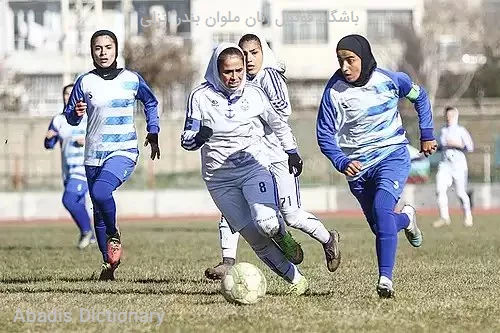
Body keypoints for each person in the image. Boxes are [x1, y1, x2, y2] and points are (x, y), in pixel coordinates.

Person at [204, 33, 341, 281]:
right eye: (243, 54)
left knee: (292, 214)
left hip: (276, 155)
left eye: (254, 53)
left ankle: (327, 238)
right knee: (235, 208)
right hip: (251, 158)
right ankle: (228, 260)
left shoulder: (269, 77)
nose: (249, 59)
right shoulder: (234, 84)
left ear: (263, 53)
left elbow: (280, 114)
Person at [316, 34, 438, 298]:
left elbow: (421, 96)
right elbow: (324, 135)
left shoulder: (392, 80)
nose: (345, 67)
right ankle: (407, 218)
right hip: (358, 169)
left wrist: (427, 133)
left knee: (382, 214)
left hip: (391, 156)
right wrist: (341, 160)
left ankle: (385, 280)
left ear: (365, 57)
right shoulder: (334, 91)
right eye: (340, 61)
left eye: (350, 60)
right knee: (380, 225)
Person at [181, 43, 308, 295]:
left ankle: (282, 235)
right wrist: (198, 138)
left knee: (267, 223)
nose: (235, 77)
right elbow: (186, 138)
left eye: (239, 70)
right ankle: (297, 282)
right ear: (217, 71)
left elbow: (279, 124)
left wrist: (292, 151)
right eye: (228, 71)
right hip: (219, 180)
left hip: (253, 168)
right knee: (255, 238)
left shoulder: (255, 94)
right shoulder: (200, 97)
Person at [64, 30, 161, 280]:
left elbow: (150, 103)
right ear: (92, 52)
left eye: (108, 47)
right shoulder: (85, 82)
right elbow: (71, 118)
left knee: (100, 193)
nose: (103, 52)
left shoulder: (131, 78)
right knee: (97, 207)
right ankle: (109, 264)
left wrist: (153, 131)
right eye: (98, 48)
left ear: (116, 50)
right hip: (93, 154)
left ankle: (113, 235)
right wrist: (76, 112)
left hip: (123, 150)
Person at [44, 83, 95, 249]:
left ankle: (87, 232)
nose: (69, 96)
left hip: (84, 168)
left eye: (72, 93)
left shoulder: (89, 117)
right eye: (66, 93)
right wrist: (49, 137)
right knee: (78, 202)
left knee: (69, 199)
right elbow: (49, 144)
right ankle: (92, 237)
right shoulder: (59, 120)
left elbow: (100, 139)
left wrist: (87, 141)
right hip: (68, 170)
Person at [433, 106, 474, 228]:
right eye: (447, 115)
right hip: (445, 164)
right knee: (439, 189)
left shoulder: (461, 130)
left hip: (459, 166)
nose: (448, 118)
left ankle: (468, 216)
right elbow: (442, 147)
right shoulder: (442, 131)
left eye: (451, 115)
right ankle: (444, 217)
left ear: (456, 116)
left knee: (461, 193)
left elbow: (470, 147)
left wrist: (457, 144)